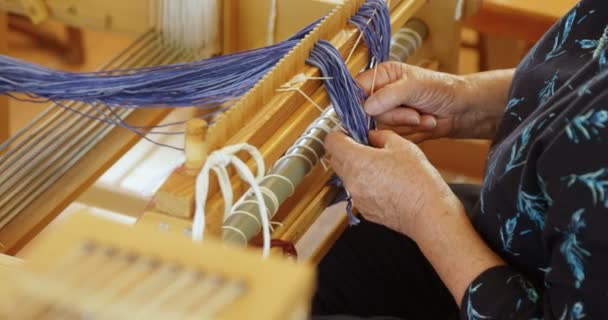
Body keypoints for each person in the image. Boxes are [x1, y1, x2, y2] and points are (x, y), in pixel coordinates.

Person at [313, 0, 608, 319]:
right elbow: (591, 78)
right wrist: (467, 100)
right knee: (350, 258)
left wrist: (422, 212)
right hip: (535, 228)